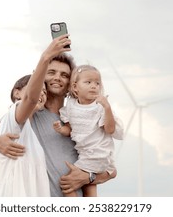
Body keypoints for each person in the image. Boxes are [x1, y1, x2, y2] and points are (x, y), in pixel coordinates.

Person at [0, 34, 116, 196]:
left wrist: (87, 177)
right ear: (41, 78)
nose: (57, 78)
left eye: (64, 75)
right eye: (51, 72)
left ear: (72, 85)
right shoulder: (29, 117)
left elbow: (110, 170)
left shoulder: (79, 119)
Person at [53, 64, 124, 197]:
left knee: (68, 182)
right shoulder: (71, 106)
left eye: (97, 83)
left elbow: (110, 129)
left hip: (97, 152)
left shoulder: (99, 106)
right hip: (85, 153)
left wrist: (107, 108)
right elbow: (69, 130)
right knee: (89, 184)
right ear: (75, 87)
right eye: (88, 82)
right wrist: (61, 129)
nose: (94, 86)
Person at [0, 74, 49, 196]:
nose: (41, 94)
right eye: (36, 87)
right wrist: (45, 58)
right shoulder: (12, 118)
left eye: (45, 92)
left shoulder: (30, 131)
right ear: (17, 93)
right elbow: (30, 99)